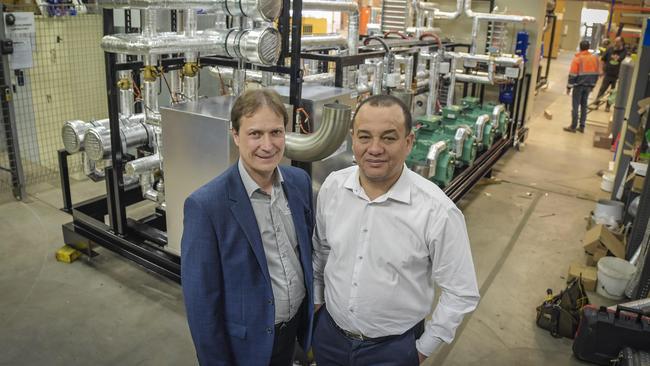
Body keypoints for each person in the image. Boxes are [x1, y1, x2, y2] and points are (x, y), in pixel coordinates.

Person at [311, 95, 480, 366]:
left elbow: (461, 291)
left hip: (393, 351)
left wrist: (421, 350)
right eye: (365, 137)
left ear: (409, 143)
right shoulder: (333, 187)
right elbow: (321, 251)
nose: (375, 148)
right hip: (330, 339)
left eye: (388, 138)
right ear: (352, 139)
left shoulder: (437, 211)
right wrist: (319, 306)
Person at [181, 88, 315, 366]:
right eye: (255, 134)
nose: (268, 145)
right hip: (247, 344)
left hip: (294, 332)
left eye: (276, 132)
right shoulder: (207, 206)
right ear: (235, 135)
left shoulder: (299, 182)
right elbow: (202, 305)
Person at [564, 40, 600, 133]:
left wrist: (569, 87)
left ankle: (573, 126)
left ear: (580, 47)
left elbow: (572, 74)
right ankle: (582, 126)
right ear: (588, 47)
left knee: (575, 106)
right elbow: (597, 73)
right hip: (588, 86)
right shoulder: (595, 58)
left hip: (578, 86)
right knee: (584, 106)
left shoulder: (577, 59)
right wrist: (593, 85)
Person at [595, 37, 627, 112]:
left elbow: (623, 62)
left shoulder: (624, 51)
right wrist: (601, 70)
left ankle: (608, 106)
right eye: (615, 42)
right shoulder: (610, 49)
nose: (615, 43)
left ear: (622, 43)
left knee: (612, 93)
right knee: (602, 89)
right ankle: (596, 104)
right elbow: (602, 60)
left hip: (617, 76)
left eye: (617, 42)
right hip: (608, 73)